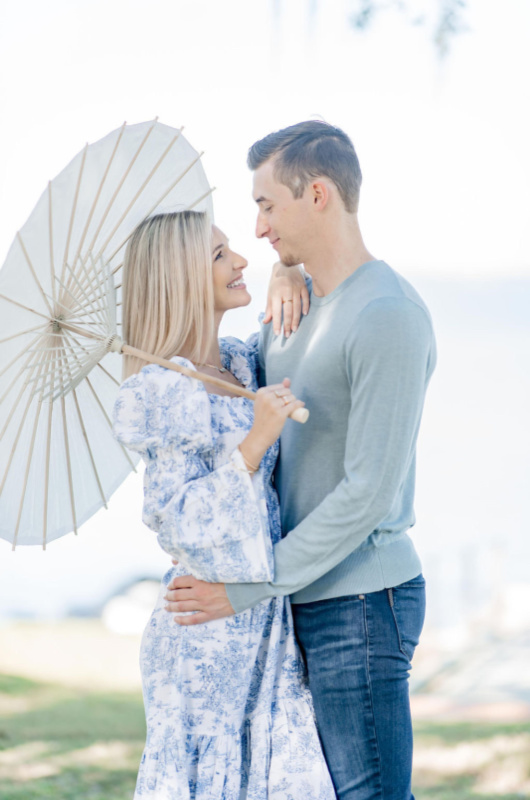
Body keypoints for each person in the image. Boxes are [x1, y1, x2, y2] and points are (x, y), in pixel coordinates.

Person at [164, 121, 437, 800]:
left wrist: (249, 586)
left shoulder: (388, 314)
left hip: (361, 603)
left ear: (318, 194)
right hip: (299, 599)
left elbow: (369, 492)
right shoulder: (296, 306)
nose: (257, 231)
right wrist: (289, 270)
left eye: (266, 206)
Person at [112, 210, 336, 800]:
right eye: (218, 255)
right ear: (180, 278)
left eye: (233, 249)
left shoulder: (241, 363)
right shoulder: (163, 389)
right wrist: (255, 441)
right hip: (202, 630)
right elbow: (176, 520)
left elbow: (305, 319)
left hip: (263, 618)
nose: (241, 260)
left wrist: (288, 267)